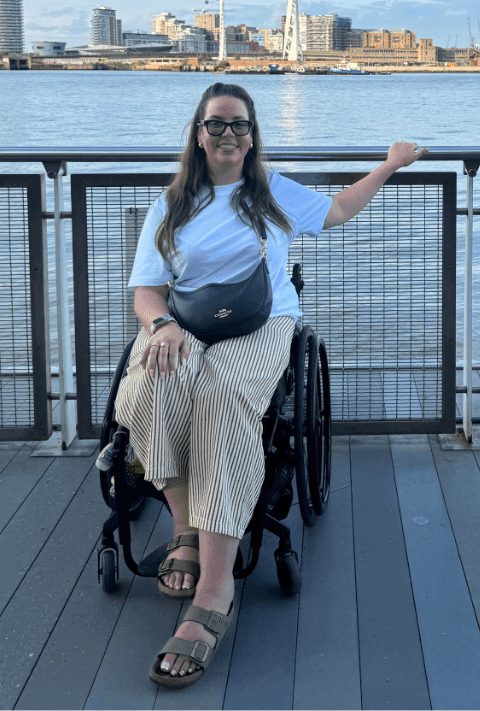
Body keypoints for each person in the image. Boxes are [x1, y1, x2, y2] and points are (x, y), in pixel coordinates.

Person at [117, 81, 424, 688]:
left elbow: (337, 211)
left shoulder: (273, 193)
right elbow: (146, 289)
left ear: (252, 136)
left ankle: (213, 588)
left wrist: (389, 164)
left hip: (262, 319)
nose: (227, 134)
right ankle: (184, 526)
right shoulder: (171, 203)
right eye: (216, 125)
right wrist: (160, 326)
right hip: (184, 322)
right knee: (156, 386)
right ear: (199, 135)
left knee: (225, 399)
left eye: (238, 125)